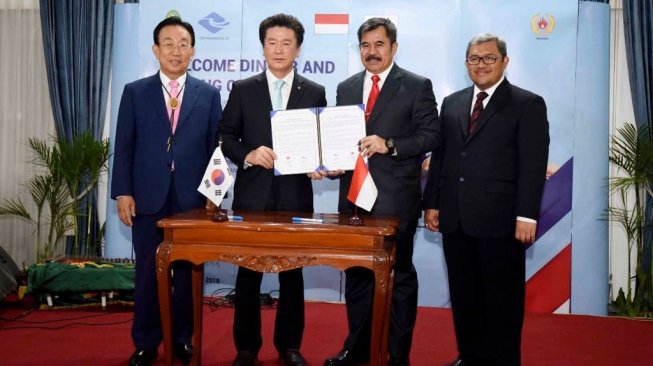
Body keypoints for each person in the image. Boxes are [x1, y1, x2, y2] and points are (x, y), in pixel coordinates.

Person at [423, 33, 549, 366]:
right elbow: (442, 156)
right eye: (475, 59)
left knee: (502, 299)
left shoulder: (527, 103)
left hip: (502, 220)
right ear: (466, 64)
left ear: (505, 61)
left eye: (489, 58)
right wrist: (432, 202)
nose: (482, 65)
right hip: (455, 217)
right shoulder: (452, 102)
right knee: (464, 297)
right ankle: (471, 356)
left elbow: (533, 164)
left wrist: (527, 215)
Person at [324, 17, 439, 366]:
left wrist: (389, 144)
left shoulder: (417, 85)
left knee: (399, 276)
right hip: (354, 199)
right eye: (365, 45)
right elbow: (339, 140)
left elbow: (431, 136)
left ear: (393, 47)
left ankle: (397, 355)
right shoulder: (345, 87)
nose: (372, 52)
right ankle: (356, 350)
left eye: (379, 44)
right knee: (357, 275)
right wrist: (332, 161)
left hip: (395, 200)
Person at [111, 16, 222, 366]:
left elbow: (215, 150)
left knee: (187, 274)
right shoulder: (135, 91)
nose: (176, 51)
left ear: (193, 50)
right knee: (147, 272)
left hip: (190, 200)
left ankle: (182, 339)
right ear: (156, 49)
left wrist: (212, 195)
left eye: (183, 43)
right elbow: (124, 146)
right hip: (147, 196)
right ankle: (146, 342)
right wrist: (123, 192)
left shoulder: (209, 93)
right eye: (169, 43)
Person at [220, 13, 327, 366]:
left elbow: (321, 143)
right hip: (252, 196)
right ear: (263, 46)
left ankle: (289, 346)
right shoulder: (243, 88)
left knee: (292, 274)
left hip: (295, 195)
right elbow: (226, 137)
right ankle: (246, 348)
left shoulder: (313, 91)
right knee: (247, 273)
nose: (278, 49)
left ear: (298, 48)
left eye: (286, 43)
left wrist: (319, 164)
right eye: (272, 42)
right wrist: (249, 154)